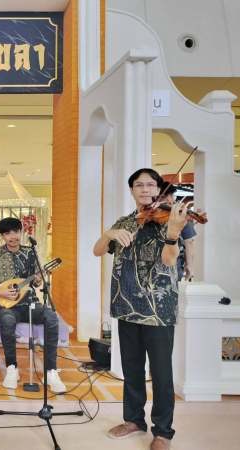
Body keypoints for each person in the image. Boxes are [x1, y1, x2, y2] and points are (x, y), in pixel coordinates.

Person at [93, 168, 189, 450]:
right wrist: (108, 233)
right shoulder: (125, 222)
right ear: (132, 190)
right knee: (132, 369)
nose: (145, 189)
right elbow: (97, 250)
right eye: (139, 185)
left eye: (150, 185)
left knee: (161, 374)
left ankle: (163, 432)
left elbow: (169, 261)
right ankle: (134, 420)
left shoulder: (170, 220)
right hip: (126, 305)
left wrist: (173, 234)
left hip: (158, 309)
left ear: (158, 189)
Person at [0, 217, 66, 393]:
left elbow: (36, 282)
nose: (12, 236)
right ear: (2, 236)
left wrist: (38, 279)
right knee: (7, 320)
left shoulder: (30, 253)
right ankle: (12, 368)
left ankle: (51, 371)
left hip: (29, 303)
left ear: (21, 232)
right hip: (6, 305)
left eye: (15, 232)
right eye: (7, 233)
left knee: (51, 317)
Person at [161, 183, 197, 281]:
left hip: (173, 267)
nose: (169, 200)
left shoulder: (181, 214)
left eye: (171, 195)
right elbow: (189, 241)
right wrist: (189, 265)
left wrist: (189, 264)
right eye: (163, 197)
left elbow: (189, 241)